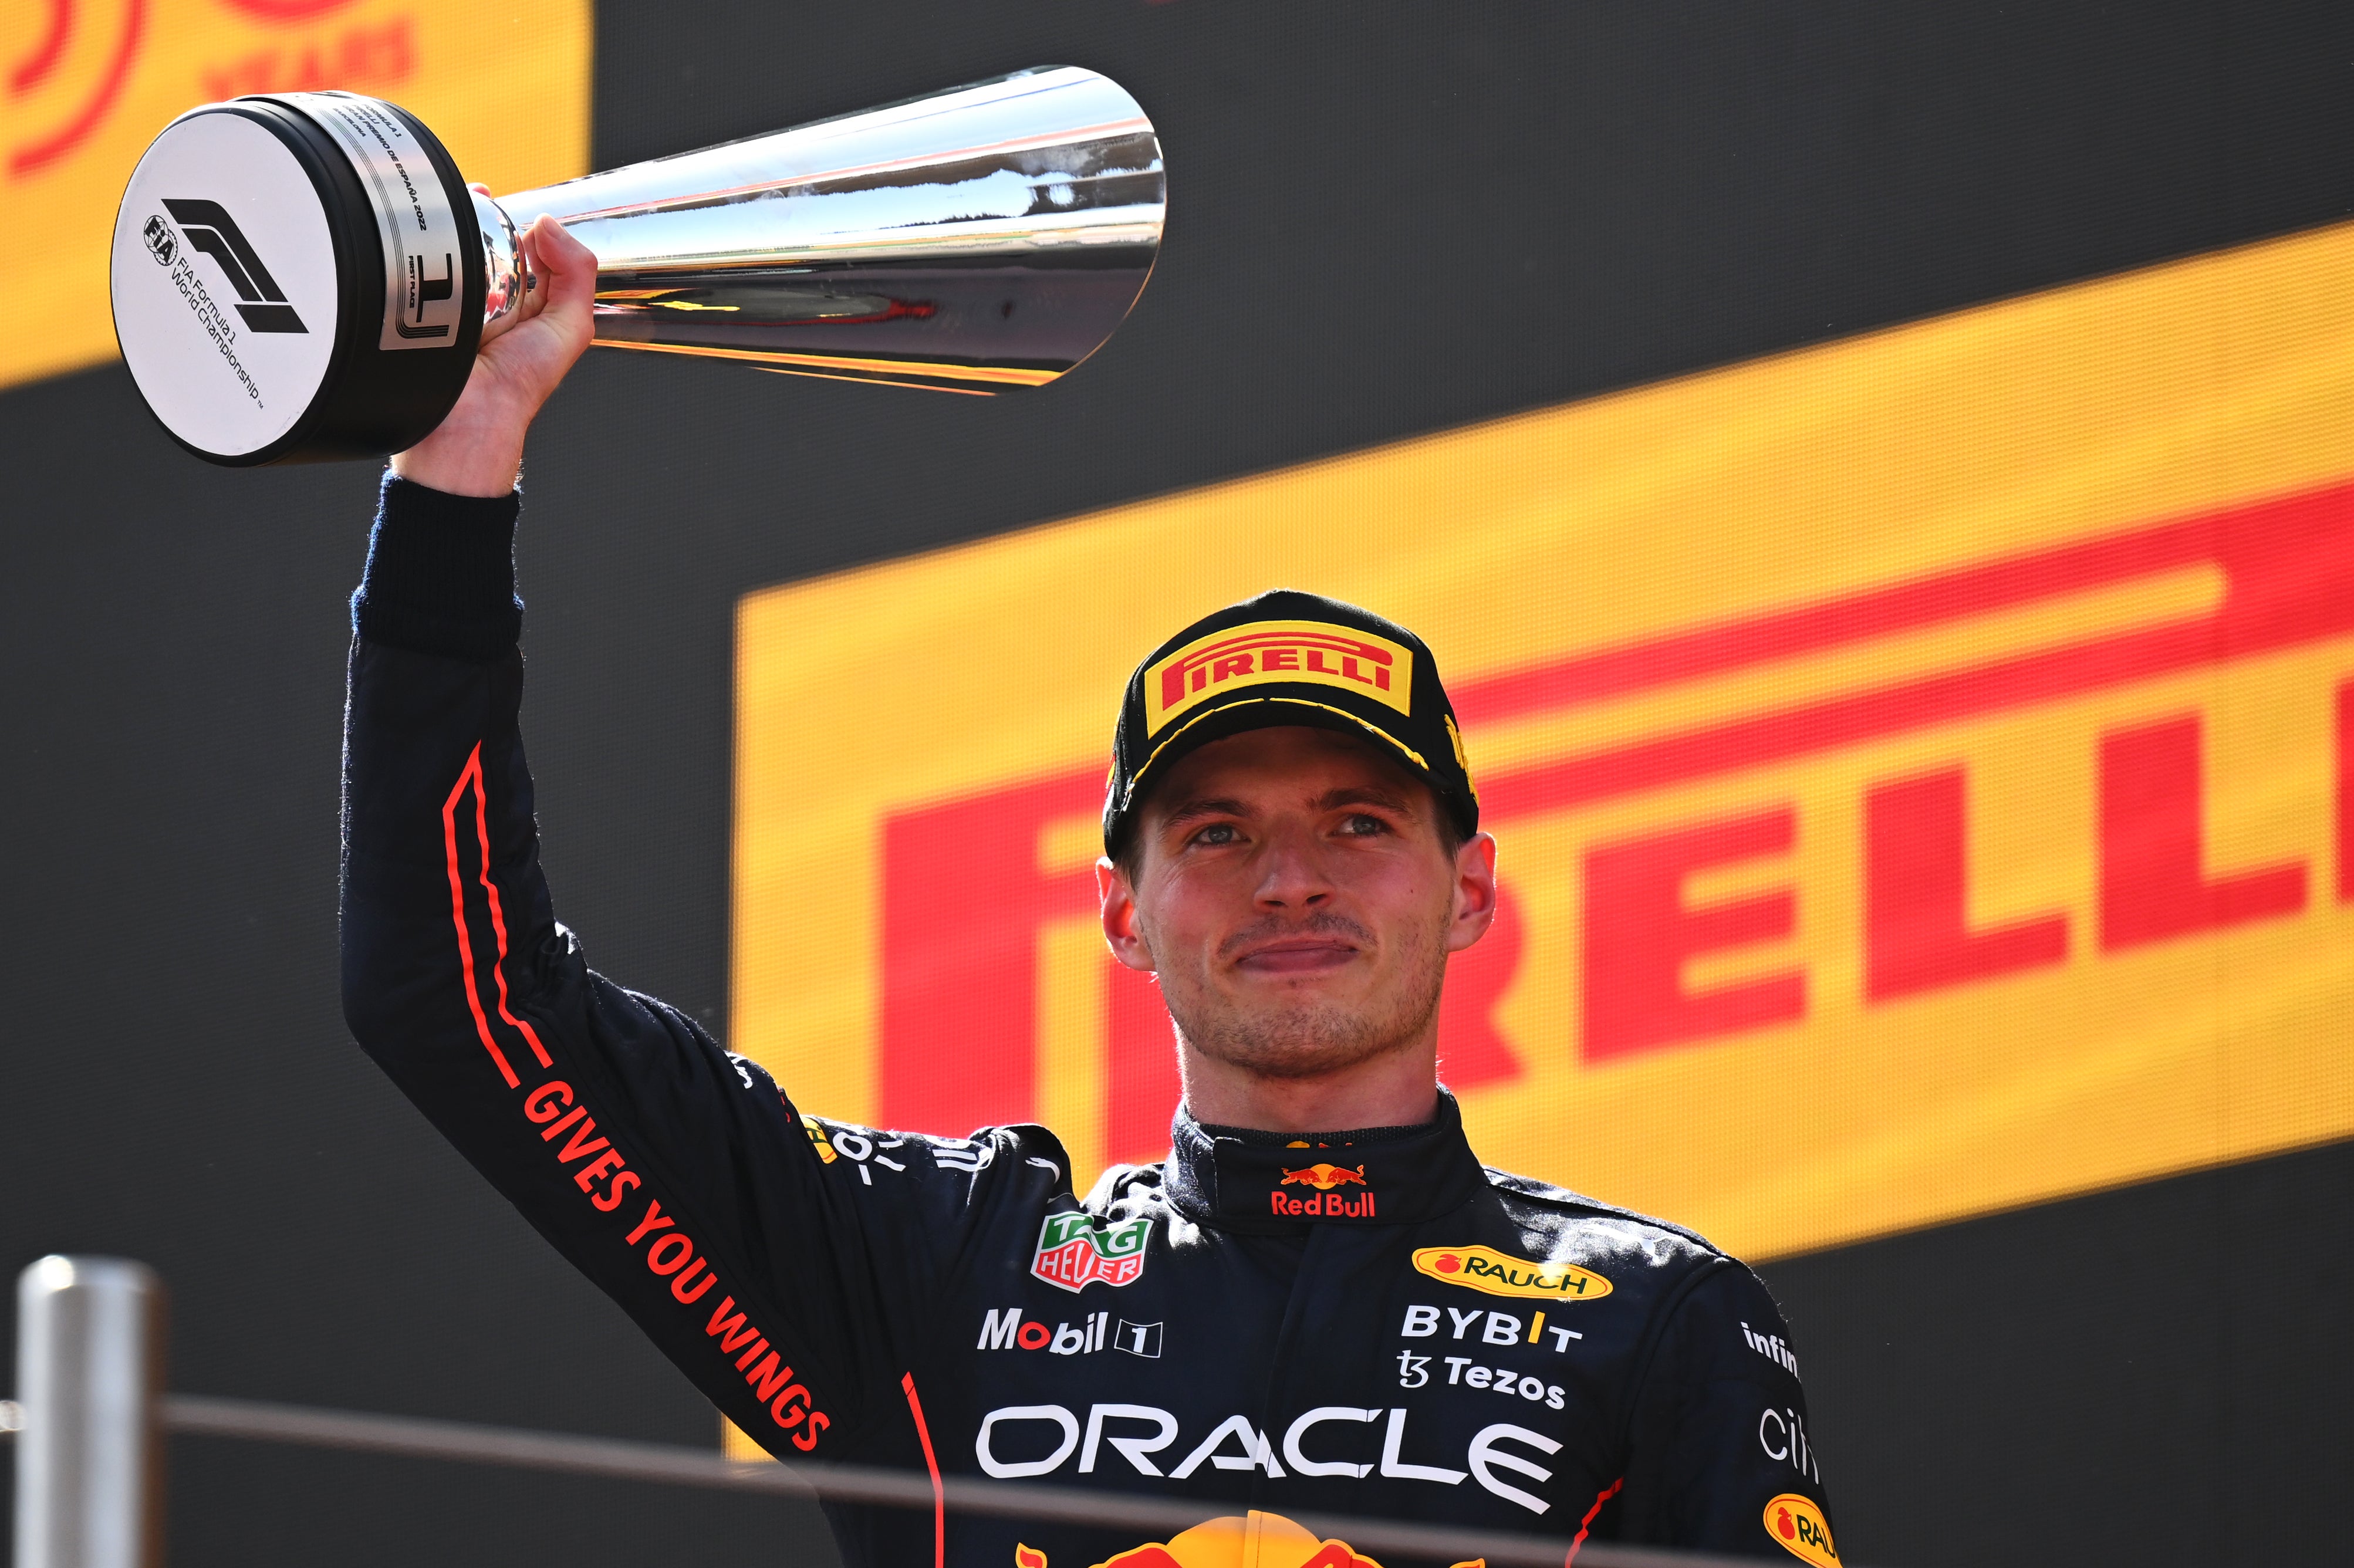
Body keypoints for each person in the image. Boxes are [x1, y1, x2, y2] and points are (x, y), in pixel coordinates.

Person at [342, 214, 1837, 1568]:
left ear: (1467, 888)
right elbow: (455, 998)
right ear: (1121, 908)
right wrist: (462, 452)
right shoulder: (935, 1269)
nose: (1290, 879)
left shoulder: (1654, 1321)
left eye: (1358, 821)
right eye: (1215, 835)